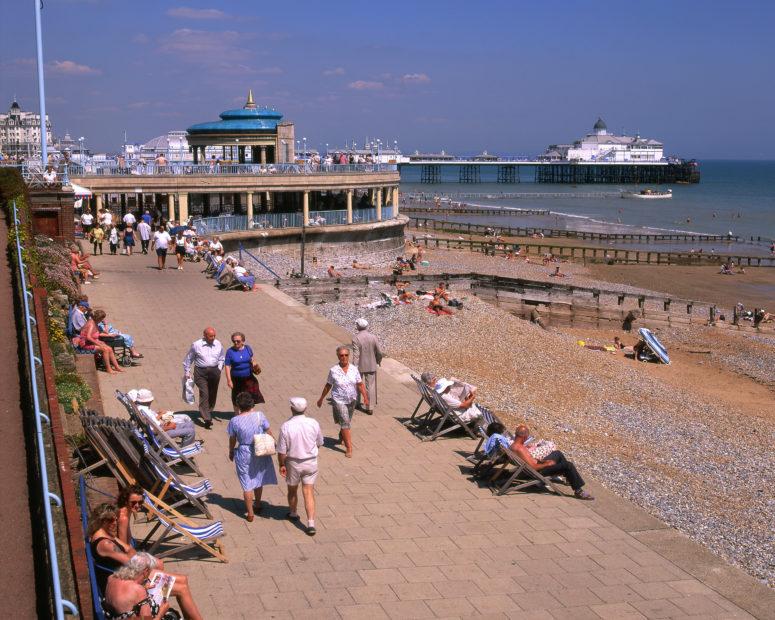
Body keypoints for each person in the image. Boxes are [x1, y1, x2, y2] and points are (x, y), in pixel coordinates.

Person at [89, 504, 203, 619]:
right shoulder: (105, 544)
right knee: (181, 588)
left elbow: (130, 550)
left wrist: (130, 552)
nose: (115, 523)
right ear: (101, 520)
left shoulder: (107, 536)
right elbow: (134, 563)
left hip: (125, 576)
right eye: (110, 520)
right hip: (127, 581)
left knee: (183, 580)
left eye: (115, 519)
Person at [227, 392, 278, 522]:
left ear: (238, 406)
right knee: (258, 476)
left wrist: (231, 451)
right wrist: (273, 442)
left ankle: (250, 514)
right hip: (259, 449)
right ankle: (258, 503)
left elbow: (232, 439)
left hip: (243, 451)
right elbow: (268, 430)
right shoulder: (259, 416)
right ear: (251, 404)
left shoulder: (234, 421)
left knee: (246, 482)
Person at [277, 397, 323, 536]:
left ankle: (293, 512)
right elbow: (320, 441)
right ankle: (310, 523)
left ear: (291, 409)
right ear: (305, 408)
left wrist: (281, 464)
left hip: (293, 462)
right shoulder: (313, 423)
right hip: (310, 462)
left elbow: (282, 451)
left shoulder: (286, 426)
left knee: (292, 489)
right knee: (308, 491)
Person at [510, 424, 594, 500]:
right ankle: (578, 491)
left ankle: (569, 478)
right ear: (524, 437)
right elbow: (533, 467)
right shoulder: (520, 449)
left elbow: (530, 461)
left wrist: (542, 461)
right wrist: (547, 464)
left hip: (535, 466)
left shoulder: (514, 446)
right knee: (568, 465)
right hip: (537, 472)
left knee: (557, 453)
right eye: (527, 437)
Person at [316, 345, 368, 458]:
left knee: (347, 420)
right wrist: (321, 398)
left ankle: (342, 435)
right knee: (345, 422)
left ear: (349, 356)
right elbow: (328, 385)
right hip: (338, 399)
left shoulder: (354, 369)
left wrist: (365, 397)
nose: (344, 357)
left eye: (346, 355)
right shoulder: (333, 370)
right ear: (338, 356)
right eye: (341, 355)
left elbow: (359, 384)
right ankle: (349, 447)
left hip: (351, 399)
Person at [102, 552, 172, 620]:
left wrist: (143, 588)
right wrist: (161, 612)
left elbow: (125, 595)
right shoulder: (138, 590)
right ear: (145, 571)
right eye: (149, 572)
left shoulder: (111, 578)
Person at [182, 327, 224, 429]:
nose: (213, 338)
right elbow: (188, 359)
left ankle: (208, 411)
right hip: (201, 372)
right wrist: (187, 371)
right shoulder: (196, 345)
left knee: (212, 393)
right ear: (204, 336)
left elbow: (222, 357)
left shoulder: (218, 344)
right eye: (210, 336)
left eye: (214, 335)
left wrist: (219, 368)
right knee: (204, 393)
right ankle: (207, 418)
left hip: (214, 371)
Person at [130, 388, 197, 447]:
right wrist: (170, 427)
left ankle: (187, 442)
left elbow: (153, 426)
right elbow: (154, 430)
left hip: (159, 430)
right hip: (161, 434)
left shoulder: (140, 408)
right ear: (148, 401)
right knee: (190, 432)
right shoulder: (145, 412)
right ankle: (183, 451)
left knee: (190, 424)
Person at [224, 331, 264, 415]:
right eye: (234, 341)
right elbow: (227, 366)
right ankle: (236, 414)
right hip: (236, 378)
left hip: (248, 377)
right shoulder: (230, 352)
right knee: (236, 396)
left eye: (238, 341)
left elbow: (252, 359)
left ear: (243, 341)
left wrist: (254, 364)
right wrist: (229, 380)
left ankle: (250, 413)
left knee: (250, 395)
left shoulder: (248, 348)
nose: (235, 342)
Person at [351, 318, 383, 415]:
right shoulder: (373, 337)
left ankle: (356, 402)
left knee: (358, 385)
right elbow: (379, 352)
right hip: (371, 364)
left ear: (358, 326)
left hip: (360, 365)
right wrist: (378, 360)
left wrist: (354, 366)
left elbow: (356, 355)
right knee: (371, 387)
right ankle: (370, 407)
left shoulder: (356, 338)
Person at [75, 309, 123, 374]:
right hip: (84, 345)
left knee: (110, 349)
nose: (102, 320)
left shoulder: (94, 322)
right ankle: (108, 369)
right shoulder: (91, 324)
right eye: (102, 319)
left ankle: (117, 367)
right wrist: (99, 344)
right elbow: (88, 337)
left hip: (89, 343)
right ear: (99, 318)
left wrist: (107, 335)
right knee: (105, 349)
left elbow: (96, 334)